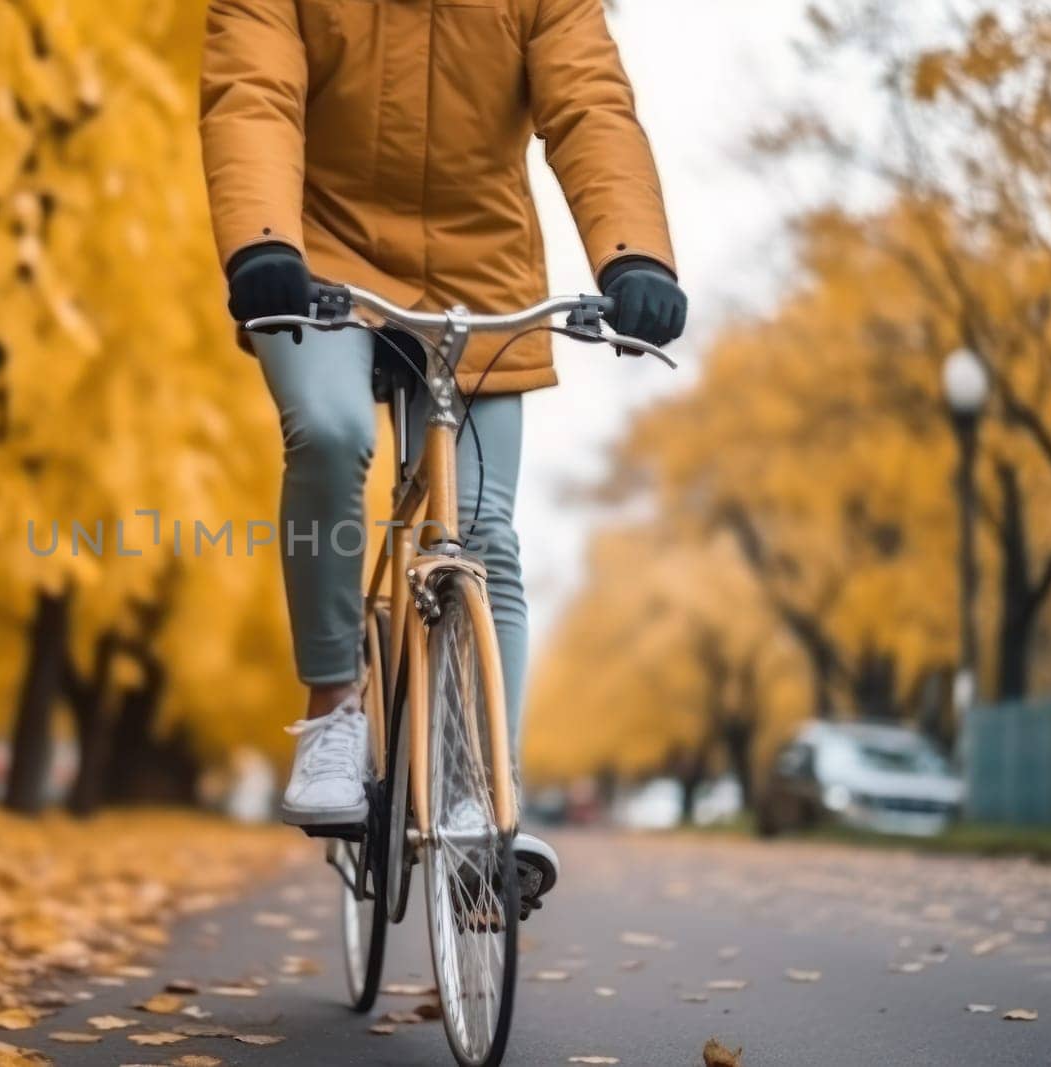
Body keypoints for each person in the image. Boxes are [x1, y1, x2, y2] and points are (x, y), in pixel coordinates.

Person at [200, 0, 686, 892]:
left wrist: (634, 255)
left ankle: (481, 800)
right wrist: (262, 245)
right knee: (334, 430)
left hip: (478, 273)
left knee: (484, 529)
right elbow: (253, 93)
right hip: (317, 258)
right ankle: (334, 706)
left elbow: (592, 109)